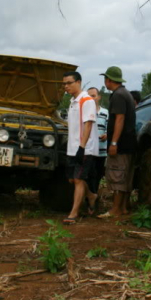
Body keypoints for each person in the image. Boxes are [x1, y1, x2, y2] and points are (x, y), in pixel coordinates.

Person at [98, 66, 136, 218]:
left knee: (117, 175)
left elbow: (119, 119)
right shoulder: (125, 93)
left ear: (109, 80)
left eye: (105, 79)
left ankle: (115, 210)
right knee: (125, 175)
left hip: (121, 144)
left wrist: (114, 143)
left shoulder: (118, 95)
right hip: (128, 142)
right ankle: (124, 208)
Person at [62, 71, 99, 224]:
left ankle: (74, 213)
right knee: (72, 179)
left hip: (84, 147)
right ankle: (91, 195)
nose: (66, 86)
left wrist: (82, 147)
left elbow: (88, 123)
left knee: (78, 179)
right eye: (64, 84)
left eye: (69, 83)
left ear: (78, 82)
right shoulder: (73, 101)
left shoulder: (86, 101)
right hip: (72, 147)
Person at [87, 87, 108, 201]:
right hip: (89, 150)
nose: (91, 98)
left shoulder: (105, 113)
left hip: (101, 150)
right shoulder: (85, 113)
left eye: (93, 96)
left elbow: (108, 128)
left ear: (99, 97)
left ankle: (94, 198)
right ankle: (91, 198)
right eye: (89, 96)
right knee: (89, 175)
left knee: (98, 175)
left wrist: (106, 134)